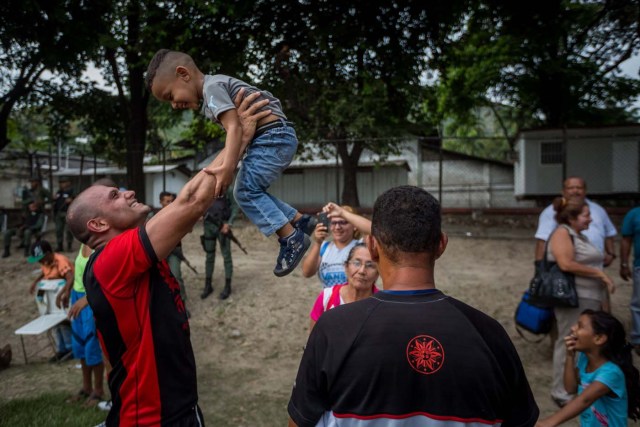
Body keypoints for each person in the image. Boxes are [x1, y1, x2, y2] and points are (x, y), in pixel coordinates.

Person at [65, 91, 267, 427]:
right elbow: (191, 203)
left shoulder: (130, 253)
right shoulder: (112, 259)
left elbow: (187, 202)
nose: (129, 192)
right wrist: (240, 132)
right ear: (98, 224)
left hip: (178, 409)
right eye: (115, 195)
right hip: (152, 419)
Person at [288, 186, 539, 426]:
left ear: (372, 247)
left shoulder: (333, 329)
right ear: (441, 244)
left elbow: (300, 420)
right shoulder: (490, 334)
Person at [146, 49, 317, 277]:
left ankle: (291, 238)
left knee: (245, 192)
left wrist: (227, 168)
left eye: (170, 96)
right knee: (251, 191)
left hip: (270, 138)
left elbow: (235, 128)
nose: (173, 105)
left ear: (183, 74)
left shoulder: (211, 88)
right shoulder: (214, 90)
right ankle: (300, 221)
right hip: (274, 137)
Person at [546, 196, 616, 407]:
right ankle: (561, 391)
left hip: (588, 297)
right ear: (573, 218)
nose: (590, 219)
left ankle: (575, 386)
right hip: (573, 298)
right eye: (586, 215)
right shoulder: (562, 233)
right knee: (568, 340)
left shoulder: (578, 235)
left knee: (582, 343)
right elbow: (565, 264)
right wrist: (599, 274)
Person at [536, 310, 640, 427]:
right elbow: (570, 388)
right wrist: (570, 355)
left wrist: (548, 422)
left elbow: (585, 400)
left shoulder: (611, 373)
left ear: (599, 338)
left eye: (580, 326)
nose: (573, 328)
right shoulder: (584, 358)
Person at [59, 243, 105, 406]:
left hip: (89, 300)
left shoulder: (99, 245)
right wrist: (67, 291)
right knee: (79, 344)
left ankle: (98, 390)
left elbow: (104, 280)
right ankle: (86, 387)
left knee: (92, 345)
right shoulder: (83, 242)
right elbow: (77, 273)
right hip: (76, 298)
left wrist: (88, 300)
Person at [535, 177, 617, 264]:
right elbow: (542, 240)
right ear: (563, 191)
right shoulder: (551, 212)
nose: (575, 191)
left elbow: (609, 232)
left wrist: (611, 253)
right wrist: (539, 266)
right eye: (571, 188)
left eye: (579, 188)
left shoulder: (598, 210)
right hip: (568, 265)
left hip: (595, 263)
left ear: (585, 191)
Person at [309, 242, 378, 331]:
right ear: (346, 267)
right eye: (357, 263)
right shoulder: (327, 298)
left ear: (377, 273)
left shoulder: (383, 305)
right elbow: (314, 340)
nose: (362, 271)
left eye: (370, 265)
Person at [302, 203, 371, 288]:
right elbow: (307, 272)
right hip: (330, 300)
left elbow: (374, 230)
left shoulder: (362, 245)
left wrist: (342, 212)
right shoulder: (324, 247)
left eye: (343, 222)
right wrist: (317, 243)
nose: (337, 227)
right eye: (334, 223)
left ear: (355, 226)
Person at [27, 240, 74, 362]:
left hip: (63, 294)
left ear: (48, 253)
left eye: (41, 258)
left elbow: (70, 278)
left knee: (63, 322)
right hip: (51, 295)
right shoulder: (46, 261)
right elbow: (44, 273)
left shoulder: (60, 261)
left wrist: (63, 294)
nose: (40, 262)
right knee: (54, 323)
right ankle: (61, 349)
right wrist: (35, 282)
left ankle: (70, 349)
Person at [149, 191, 189, 307]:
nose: (170, 203)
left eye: (171, 201)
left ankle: (182, 304)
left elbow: (188, 229)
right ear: (161, 202)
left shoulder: (177, 214)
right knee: (159, 279)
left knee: (176, 276)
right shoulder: (154, 216)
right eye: (167, 201)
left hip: (174, 252)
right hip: (159, 253)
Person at [200, 185, 238, 300]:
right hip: (208, 226)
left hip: (223, 226)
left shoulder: (228, 189)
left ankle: (227, 286)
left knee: (226, 256)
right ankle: (208, 285)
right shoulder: (207, 188)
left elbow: (235, 206)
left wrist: (229, 223)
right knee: (209, 256)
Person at [621, 204, 640, 353]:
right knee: (638, 303)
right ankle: (638, 339)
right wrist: (624, 263)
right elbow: (626, 240)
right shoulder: (634, 214)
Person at [53, 176, 75, 252]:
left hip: (68, 213)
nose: (62, 184)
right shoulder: (59, 192)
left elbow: (79, 200)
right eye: (61, 183)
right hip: (59, 213)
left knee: (68, 230)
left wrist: (72, 200)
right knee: (58, 230)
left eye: (64, 182)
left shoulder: (72, 191)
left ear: (68, 183)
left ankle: (69, 246)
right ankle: (60, 246)